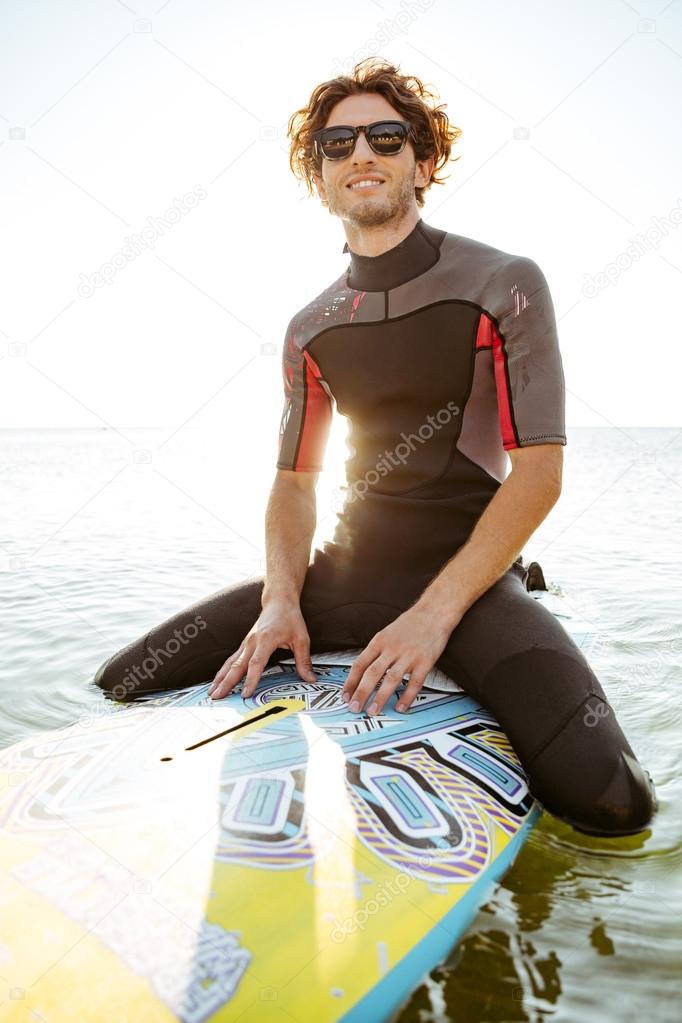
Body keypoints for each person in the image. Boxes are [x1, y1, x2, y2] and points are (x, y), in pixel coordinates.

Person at [94, 57, 657, 838]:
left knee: (614, 802)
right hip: (344, 581)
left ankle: (519, 595)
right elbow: (295, 483)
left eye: (386, 137)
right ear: (322, 180)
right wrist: (280, 600)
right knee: (122, 681)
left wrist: (433, 619)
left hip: (468, 595)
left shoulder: (505, 282)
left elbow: (540, 473)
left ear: (422, 163)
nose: (361, 153)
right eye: (338, 144)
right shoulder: (310, 327)